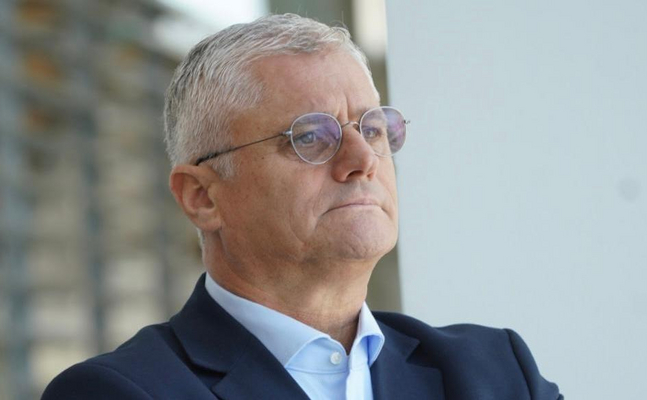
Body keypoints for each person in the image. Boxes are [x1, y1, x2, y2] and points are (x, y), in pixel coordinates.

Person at [42, 14, 562, 400]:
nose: (363, 161)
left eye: (373, 129)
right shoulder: (120, 391)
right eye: (310, 137)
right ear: (202, 197)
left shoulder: (496, 372)